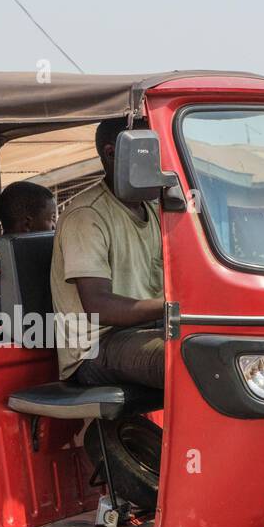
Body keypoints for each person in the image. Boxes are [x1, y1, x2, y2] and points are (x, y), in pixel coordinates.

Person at [49, 119, 165, 388]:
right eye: (148, 152)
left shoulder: (156, 209)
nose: (159, 161)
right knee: (187, 357)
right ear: (112, 153)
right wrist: (174, 306)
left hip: (143, 330)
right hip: (95, 349)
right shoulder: (87, 216)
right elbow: (98, 307)